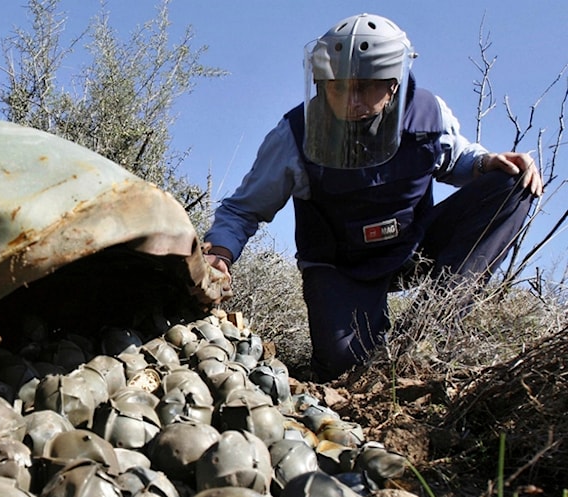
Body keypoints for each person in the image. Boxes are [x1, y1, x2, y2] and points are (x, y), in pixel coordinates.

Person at [203, 13, 543, 381]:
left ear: (393, 83)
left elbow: (455, 158)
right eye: (338, 87)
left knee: (513, 183)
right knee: (344, 368)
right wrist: (220, 252)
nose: (351, 100)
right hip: (341, 264)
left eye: (365, 86)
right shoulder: (293, 136)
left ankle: (428, 330)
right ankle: (355, 346)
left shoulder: (428, 115)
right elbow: (242, 209)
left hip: (412, 247)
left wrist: (486, 161)